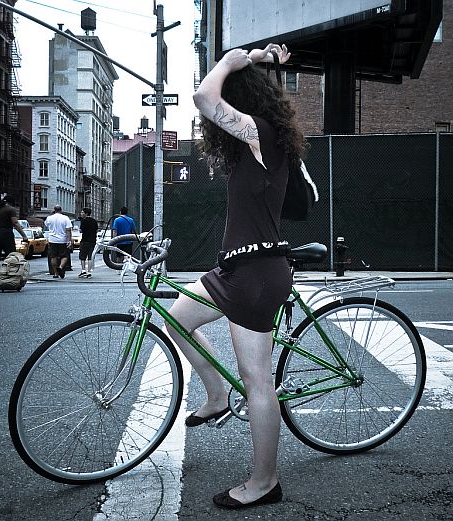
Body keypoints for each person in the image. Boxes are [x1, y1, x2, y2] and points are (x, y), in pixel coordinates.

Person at [165, 44, 306, 510]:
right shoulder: (263, 136)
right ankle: (216, 394)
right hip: (235, 269)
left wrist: (229, 62)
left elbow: (203, 99)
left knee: (259, 382)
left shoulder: (261, 134)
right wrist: (268, 68)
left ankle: (266, 481)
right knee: (176, 318)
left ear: (242, 99)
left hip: (256, 274)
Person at [0, 196, 28, 290]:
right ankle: (11, 280)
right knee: (12, 258)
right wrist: (24, 235)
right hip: (6, 235)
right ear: (11, 202)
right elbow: (15, 223)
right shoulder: (11, 210)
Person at [44, 205, 73, 278]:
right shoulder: (65, 218)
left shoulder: (49, 218)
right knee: (65, 256)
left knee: (53, 256)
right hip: (62, 240)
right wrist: (69, 240)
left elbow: (46, 225)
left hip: (52, 240)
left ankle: (56, 273)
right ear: (61, 210)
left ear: (54, 210)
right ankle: (60, 267)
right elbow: (68, 230)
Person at [78, 207, 98, 278]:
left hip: (85, 240)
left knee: (82, 256)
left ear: (86, 213)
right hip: (92, 241)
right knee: (90, 256)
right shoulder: (94, 221)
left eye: (82, 212)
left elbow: (81, 230)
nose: (81, 213)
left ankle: (83, 270)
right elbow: (96, 230)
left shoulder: (83, 221)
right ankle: (89, 272)